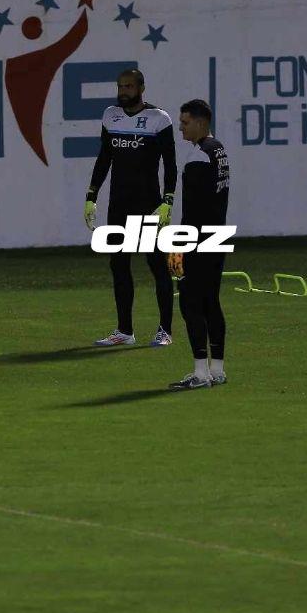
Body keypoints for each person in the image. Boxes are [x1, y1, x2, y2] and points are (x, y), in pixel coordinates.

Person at [84, 68, 177, 347]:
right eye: (120, 86)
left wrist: (167, 201)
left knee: (156, 264)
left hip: (148, 204)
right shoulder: (110, 115)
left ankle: (165, 331)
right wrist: (91, 195)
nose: (123, 91)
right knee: (119, 264)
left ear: (141, 88)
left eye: (128, 86)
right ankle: (124, 331)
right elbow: (104, 159)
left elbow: (170, 164)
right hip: (118, 205)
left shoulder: (159, 119)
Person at [170, 99, 231, 390]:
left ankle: (200, 373)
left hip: (199, 239)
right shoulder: (218, 149)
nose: (180, 128)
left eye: (184, 123)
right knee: (211, 302)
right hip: (218, 235)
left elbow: (191, 210)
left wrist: (178, 246)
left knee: (190, 303)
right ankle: (216, 369)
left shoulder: (197, 157)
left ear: (200, 123)